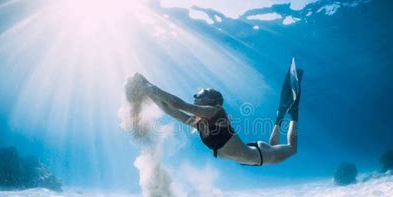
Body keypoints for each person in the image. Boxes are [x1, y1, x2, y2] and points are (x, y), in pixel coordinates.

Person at [130, 59, 303, 166]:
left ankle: (293, 111)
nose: (195, 96)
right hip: (251, 154)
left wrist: (149, 87)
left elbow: (177, 104)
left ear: (212, 102)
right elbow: (169, 109)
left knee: (292, 149)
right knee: (274, 146)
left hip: (259, 156)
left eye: (200, 94)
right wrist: (148, 92)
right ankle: (279, 117)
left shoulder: (215, 112)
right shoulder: (199, 123)